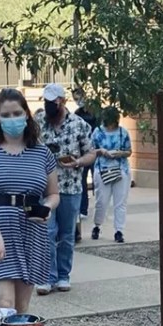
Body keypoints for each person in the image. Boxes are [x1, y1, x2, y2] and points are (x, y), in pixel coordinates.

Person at [0, 87, 60, 313]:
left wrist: (46, 208)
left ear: (26, 114)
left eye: (16, 113)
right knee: (3, 307)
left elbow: (54, 194)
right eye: (5, 115)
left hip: (31, 233)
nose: (12, 119)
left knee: (21, 309)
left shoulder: (41, 152)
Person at [34, 83, 96, 294]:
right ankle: (47, 276)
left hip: (71, 187)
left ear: (62, 100)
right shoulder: (38, 122)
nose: (49, 105)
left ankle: (63, 275)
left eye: (53, 101)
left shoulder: (79, 124)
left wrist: (77, 162)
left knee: (67, 234)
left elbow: (91, 153)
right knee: (47, 232)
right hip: (45, 188)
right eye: (46, 101)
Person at [90, 106, 132, 243]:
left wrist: (120, 153)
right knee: (101, 201)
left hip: (121, 169)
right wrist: (101, 151)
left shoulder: (123, 133)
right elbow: (90, 150)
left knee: (120, 202)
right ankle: (97, 225)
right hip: (102, 168)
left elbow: (129, 151)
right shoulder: (97, 132)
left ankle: (119, 230)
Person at [72, 88, 99, 224]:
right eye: (75, 99)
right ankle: (83, 209)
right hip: (82, 153)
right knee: (82, 181)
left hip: (94, 150)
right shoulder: (76, 114)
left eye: (79, 97)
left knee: (97, 181)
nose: (78, 101)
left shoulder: (95, 111)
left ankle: (100, 207)